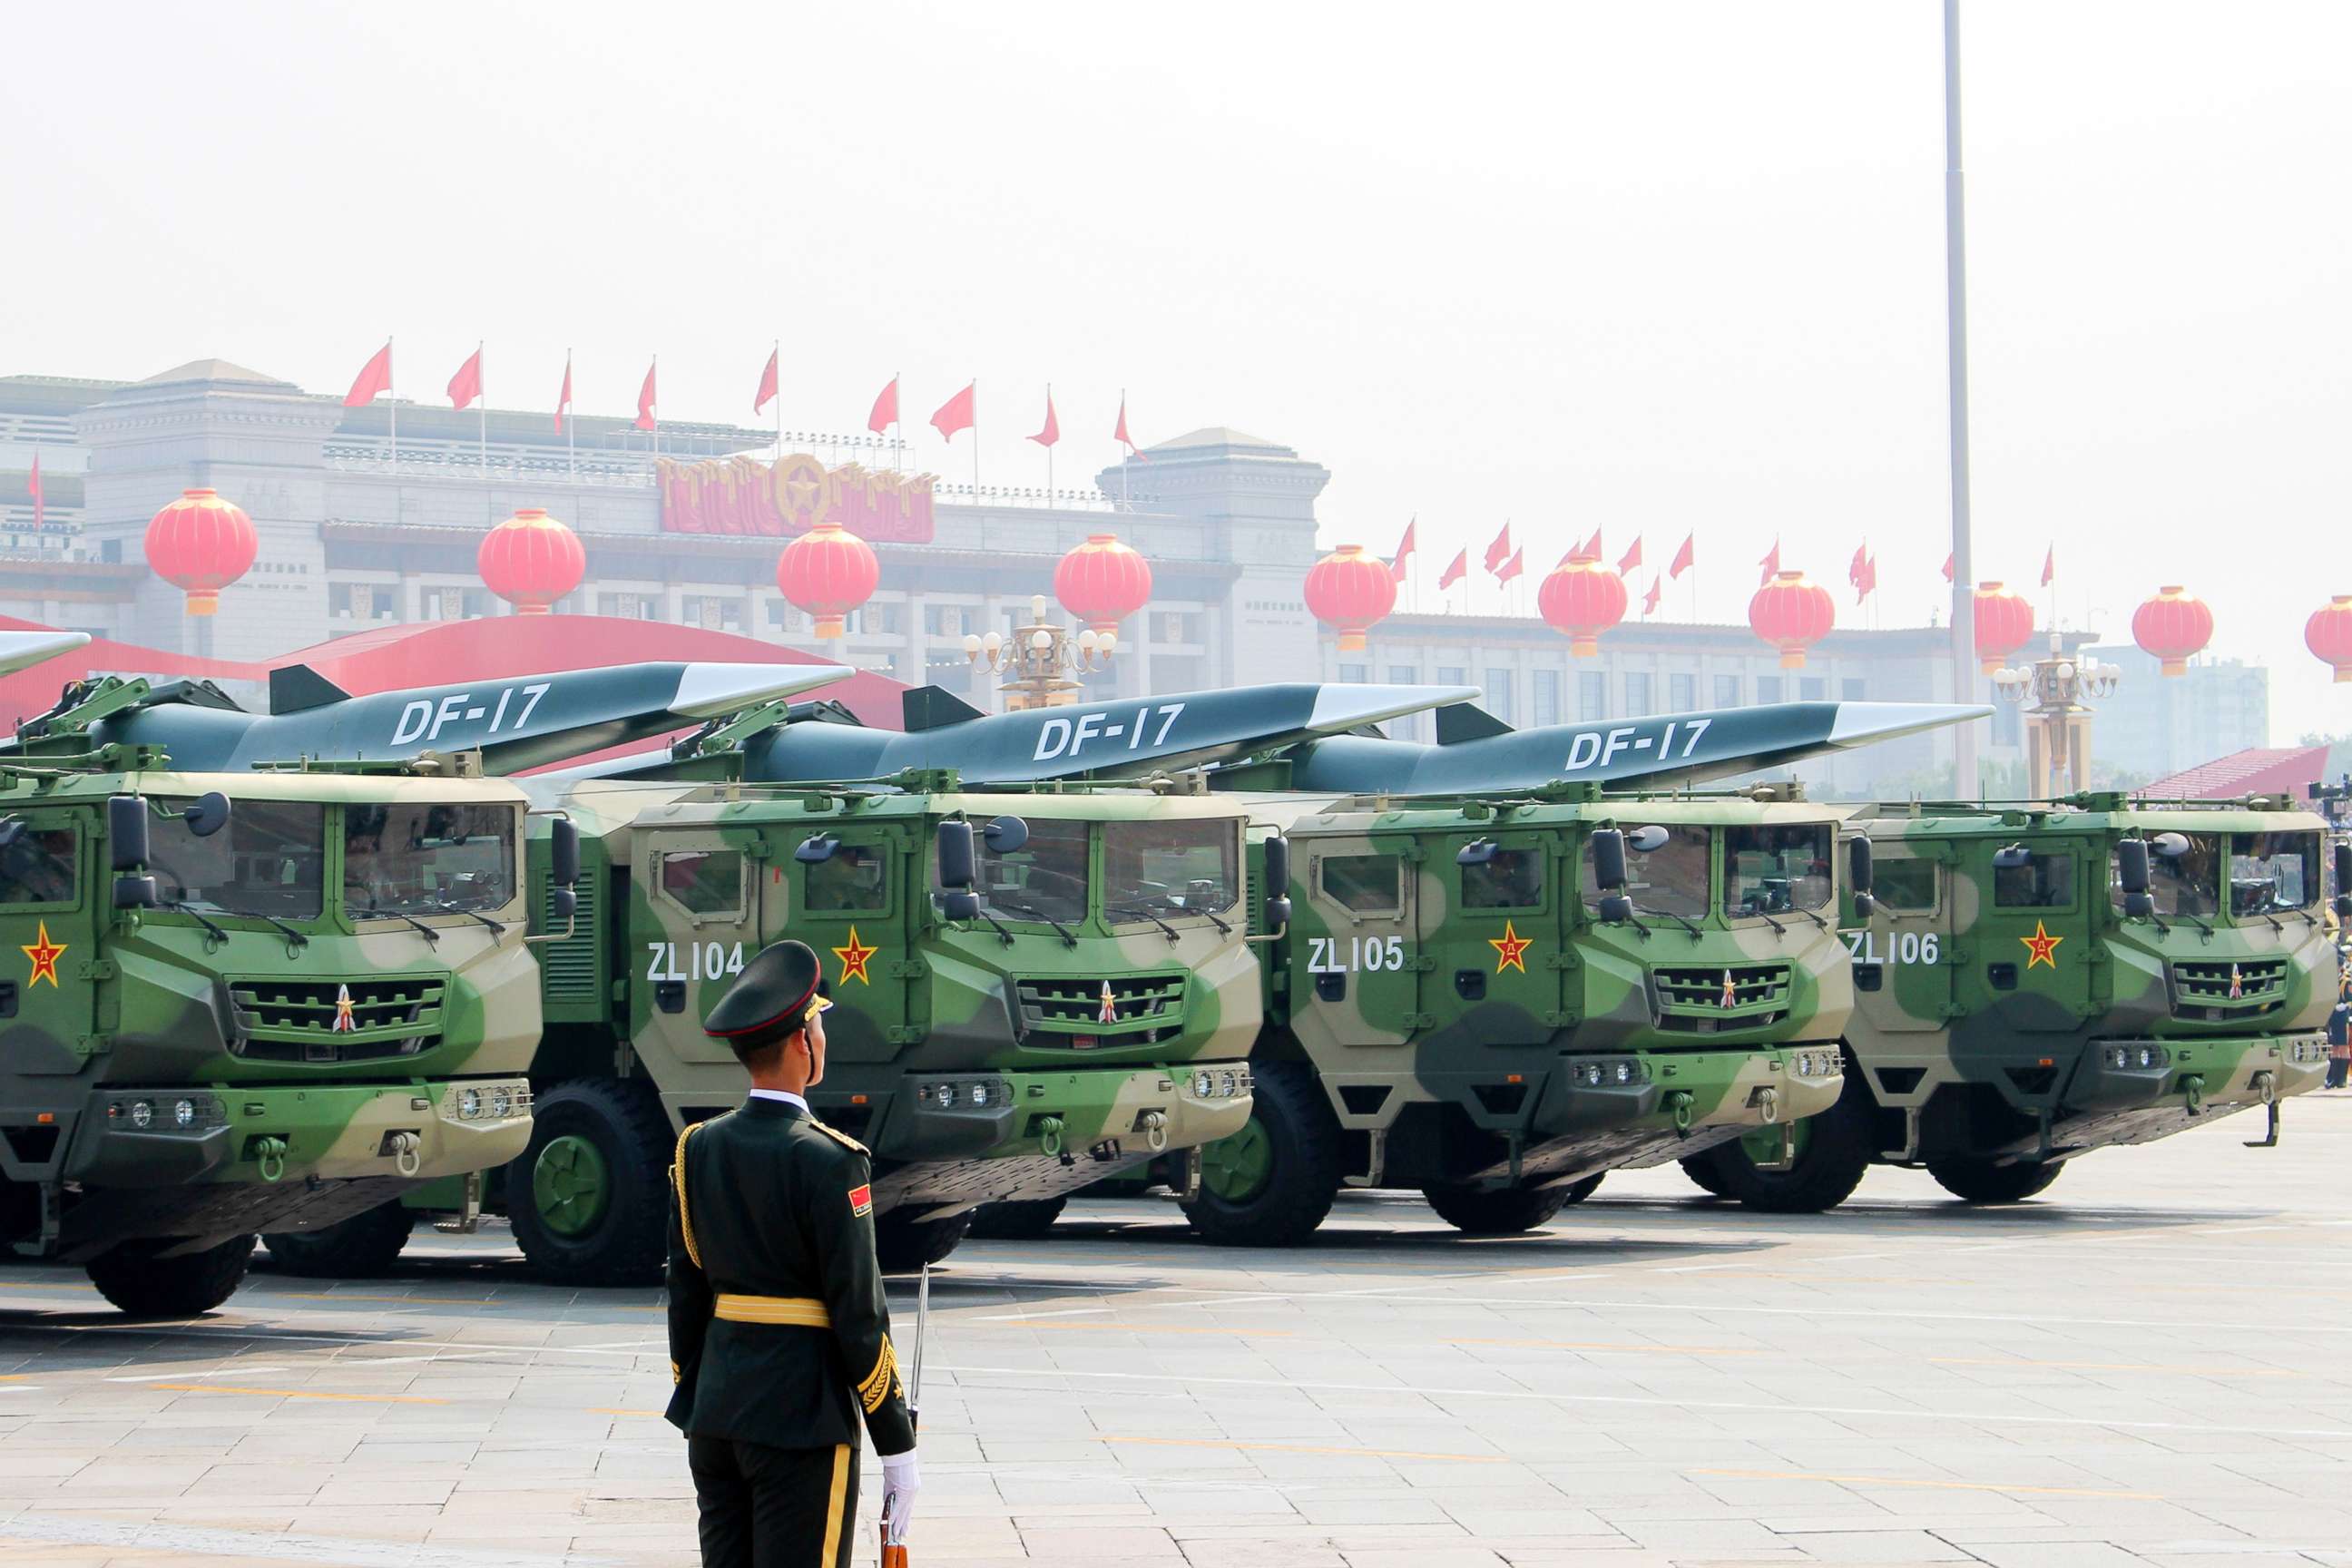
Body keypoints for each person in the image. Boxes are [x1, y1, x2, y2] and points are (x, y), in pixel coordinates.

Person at [665, 939, 919, 1567]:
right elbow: (860, 1317)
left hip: (717, 1416)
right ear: (804, 1042)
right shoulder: (831, 1161)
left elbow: (686, 1297)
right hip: (801, 1420)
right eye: (820, 1025)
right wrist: (897, 1443)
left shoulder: (696, 1148)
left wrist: (705, 1394)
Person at [2326, 966, 2350, 1091]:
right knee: (2334, 1047)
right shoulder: (2331, 980)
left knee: (2343, 1047)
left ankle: (2342, 1079)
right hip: (2333, 1016)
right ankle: (2333, 1078)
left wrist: (2344, 1005)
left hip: (2342, 1016)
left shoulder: (2346, 981)